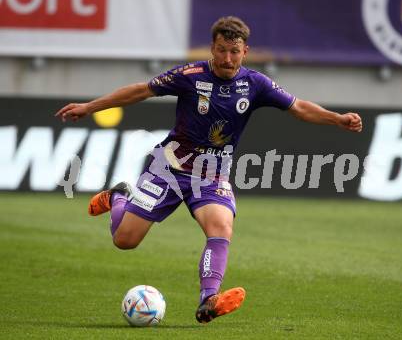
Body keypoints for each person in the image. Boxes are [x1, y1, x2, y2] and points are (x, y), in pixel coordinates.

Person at [55, 16, 362, 323]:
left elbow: (299, 107)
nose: (227, 58)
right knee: (125, 241)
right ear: (212, 49)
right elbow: (140, 90)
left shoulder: (255, 84)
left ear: (245, 51)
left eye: (234, 51)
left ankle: (209, 300)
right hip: (168, 168)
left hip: (211, 175)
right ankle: (119, 196)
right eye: (221, 50)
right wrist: (89, 107)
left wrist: (337, 119)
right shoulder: (190, 75)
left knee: (221, 227)